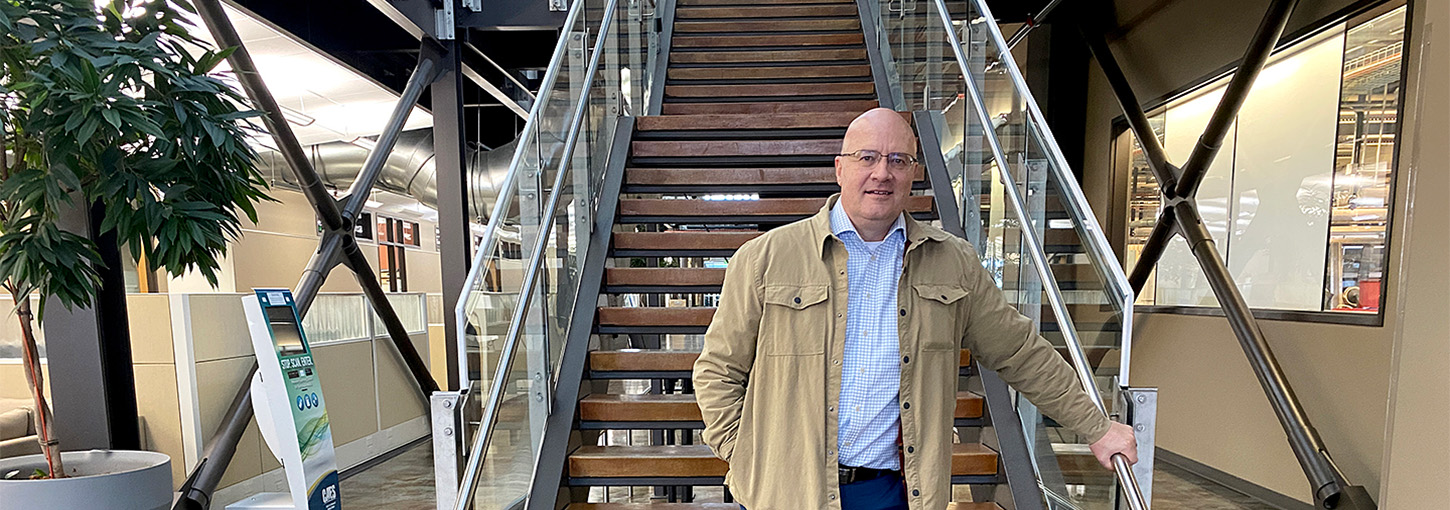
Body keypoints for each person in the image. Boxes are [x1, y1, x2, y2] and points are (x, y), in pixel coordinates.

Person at [692, 108, 1137, 510]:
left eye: (897, 160)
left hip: (895, 494)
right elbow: (717, 369)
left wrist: (1097, 426)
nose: (881, 173)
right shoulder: (765, 258)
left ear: (914, 173)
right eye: (867, 158)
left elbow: (1020, 352)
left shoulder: (953, 263)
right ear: (840, 169)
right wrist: (746, 451)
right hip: (787, 491)